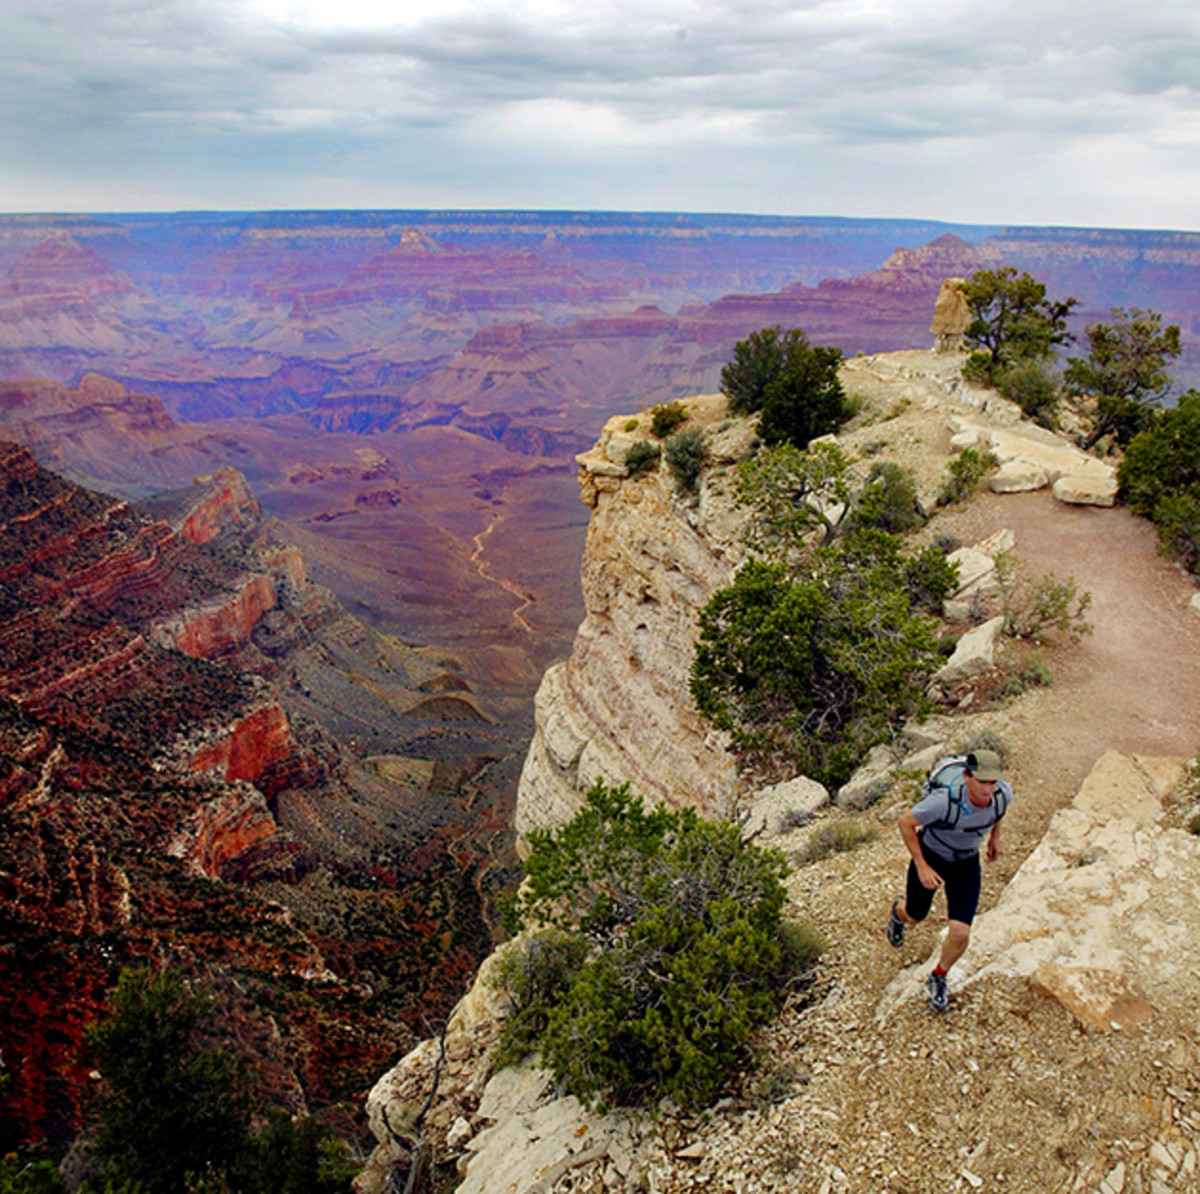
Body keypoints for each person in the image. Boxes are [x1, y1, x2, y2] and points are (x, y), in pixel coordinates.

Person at [885, 749, 1012, 1011]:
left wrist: (995, 838)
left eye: (992, 782)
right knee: (915, 915)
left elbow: (998, 812)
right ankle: (899, 913)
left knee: (961, 931)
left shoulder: (1002, 795)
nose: (988, 789)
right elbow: (905, 823)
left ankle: (939, 975)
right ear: (967, 777)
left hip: (966, 863)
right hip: (932, 856)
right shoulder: (944, 801)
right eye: (982, 782)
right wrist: (921, 866)